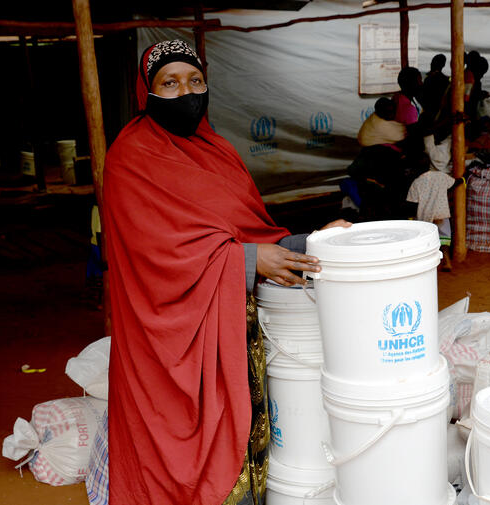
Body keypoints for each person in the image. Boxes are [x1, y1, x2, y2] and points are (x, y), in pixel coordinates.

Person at [101, 39, 349, 505]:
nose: (186, 93)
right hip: (165, 342)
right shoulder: (130, 159)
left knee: (241, 435)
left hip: (225, 327)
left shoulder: (218, 151)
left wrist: (315, 241)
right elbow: (155, 258)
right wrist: (248, 261)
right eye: (169, 83)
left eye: (195, 81)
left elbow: (249, 231)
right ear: (146, 93)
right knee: (174, 456)